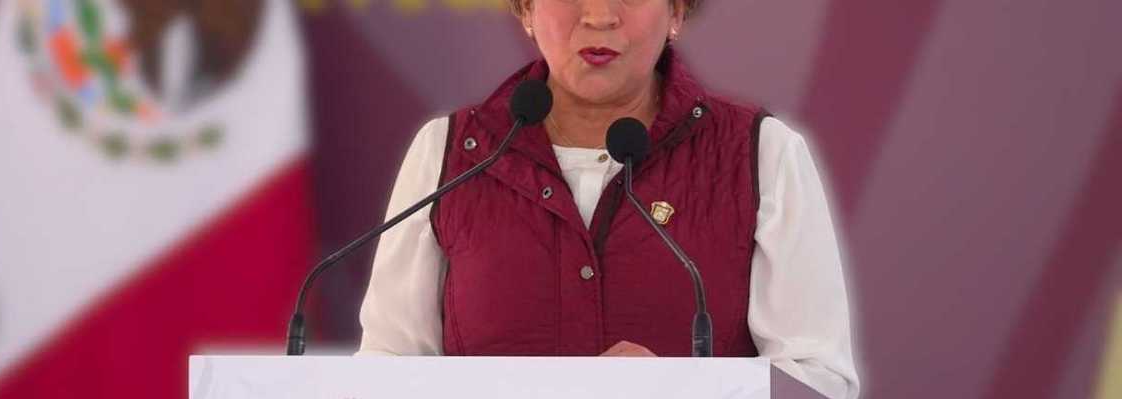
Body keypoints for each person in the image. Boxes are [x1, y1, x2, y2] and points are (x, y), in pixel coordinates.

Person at [355, 0, 859, 397]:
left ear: (677, 10)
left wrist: (685, 393)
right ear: (527, 9)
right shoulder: (450, 154)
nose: (599, 15)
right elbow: (385, 373)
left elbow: (818, 382)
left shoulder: (760, 153)